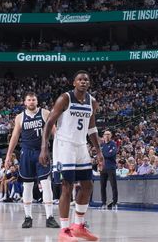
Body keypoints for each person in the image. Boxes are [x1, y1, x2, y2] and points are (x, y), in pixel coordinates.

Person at [40, 71, 104, 242]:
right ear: (74, 82)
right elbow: (49, 123)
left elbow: (92, 129)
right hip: (64, 145)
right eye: (80, 79)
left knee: (88, 185)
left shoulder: (92, 101)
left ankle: (79, 226)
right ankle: (64, 230)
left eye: (86, 80)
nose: (83, 82)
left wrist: (98, 151)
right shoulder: (65, 98)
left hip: (81, 145)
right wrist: (44, 147)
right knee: (66, 186)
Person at [5, 92, 59, 229]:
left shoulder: (45, 113)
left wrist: (60, 148)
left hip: (42, 152)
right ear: (25, 102)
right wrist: (8, 155)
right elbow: (15, 137)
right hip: (26, 153)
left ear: (37, 101)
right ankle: (28, 217)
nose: (31, 102)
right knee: (27, 186)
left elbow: (55, 132)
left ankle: (50, 217)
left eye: (33, 99)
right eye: (29, 100)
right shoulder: (19, 117)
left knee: (46, 184)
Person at [100, 130, 118, 209]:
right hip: (103, 168)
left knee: (113, 186)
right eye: (105, 134)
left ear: (111, 136)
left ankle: (114, 203)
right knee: (102, 186)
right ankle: (103, 203)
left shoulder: (113, 144)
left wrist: (104, 154)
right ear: (103, 136)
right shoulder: (102, 145)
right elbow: (101, 156)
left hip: (111, 167)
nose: (106, 135)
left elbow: (110, 154)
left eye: (108, 134)